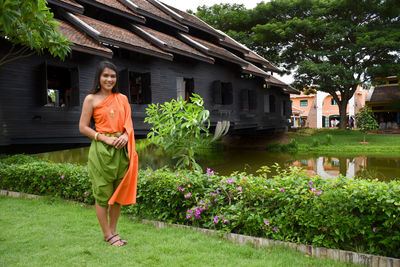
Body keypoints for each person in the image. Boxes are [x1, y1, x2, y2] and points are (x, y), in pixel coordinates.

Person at [79, 61, 138, 247]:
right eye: (105, 75)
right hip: (101, 151)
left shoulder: (122, 99)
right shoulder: (91, 99)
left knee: (118, 194)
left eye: (113, 76)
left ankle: (113, 231)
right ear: (99, 77)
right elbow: (82, 127)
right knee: (103, 194)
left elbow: (128, 124)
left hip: (121, 151)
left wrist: (125, 135)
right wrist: (105, 139)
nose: (109, 79)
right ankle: (107, 234)